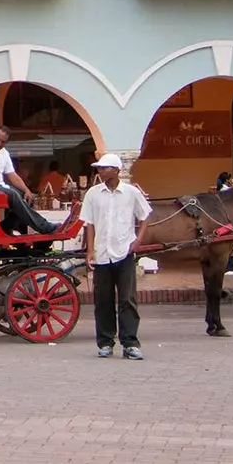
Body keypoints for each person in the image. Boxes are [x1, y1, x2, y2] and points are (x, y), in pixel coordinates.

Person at [80, 152, 152, 360]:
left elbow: (145, 216)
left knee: (127, 299)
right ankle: (105, 342)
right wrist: (90, 251)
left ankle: (130, 342)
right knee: (102, 300)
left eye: (104, 168)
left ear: (116, 170)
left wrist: (138, 240)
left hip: (124, 252)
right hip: (102, 254)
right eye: (99, 168)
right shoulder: (93, 194)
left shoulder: (131, 193)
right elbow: (89, 224)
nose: (100, 171)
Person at [0, 125, 56, 236]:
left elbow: (13, 176)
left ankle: (5, 228)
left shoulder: (4, 153)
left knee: (26, 197)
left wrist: (27, 190)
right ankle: (44, 227)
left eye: (3, 142)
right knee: (12, 194)